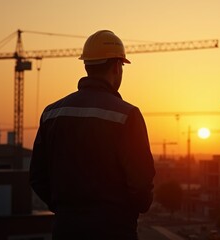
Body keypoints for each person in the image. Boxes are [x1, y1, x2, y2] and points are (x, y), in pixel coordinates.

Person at [29, 30, 155, 240]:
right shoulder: (126, 115)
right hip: (114, 231)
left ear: (86, 66)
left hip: (66, 230)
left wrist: (66, 210)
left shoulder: (52, 113)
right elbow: (141, 185)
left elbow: (37, 177)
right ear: (117, 66)